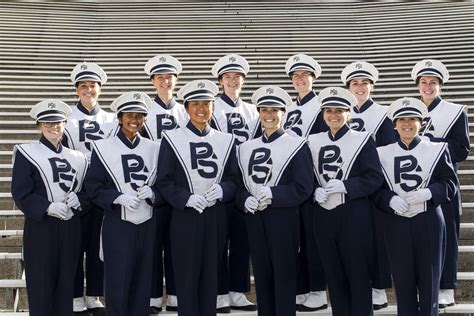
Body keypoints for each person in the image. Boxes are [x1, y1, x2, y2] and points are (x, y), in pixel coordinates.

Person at [155, 80, 238, 316]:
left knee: (212, 273)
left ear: (213, 106)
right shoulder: (171, 138)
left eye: (206, 104)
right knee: (187, 275)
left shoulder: (226, 140)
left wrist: (224, 190)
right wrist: (185, 198)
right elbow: (164, 180)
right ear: (186, 108)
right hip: (185, 215)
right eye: (195, 104)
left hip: (215, 215)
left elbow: (234, 178)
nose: (201, 109)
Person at [373, 97, 458, 315]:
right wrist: (389, 199)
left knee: (430, 283)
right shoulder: (381, 153)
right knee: (403, 283)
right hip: (396, 222)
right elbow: (374, 189)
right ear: (394, 125)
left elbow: (450, 183)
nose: (406, 124)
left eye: (412, 119)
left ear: (421, 123)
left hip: (428, 219)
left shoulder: (437, 148)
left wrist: (429, 193)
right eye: (401, 120)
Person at [237, 85, 313, 316]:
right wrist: (244, 200)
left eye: (274, 110)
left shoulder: (297, 144)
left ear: (284, 114)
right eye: (264, 110)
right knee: (262, 276)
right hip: (255, 219)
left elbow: (304, 187)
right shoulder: (246, 147)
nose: (269, 116)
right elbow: (238, 185)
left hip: (284, 218)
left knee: (284, 276)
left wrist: (274, 194)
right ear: (259, 113)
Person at [308, 87, 383, 316]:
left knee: (359, 275)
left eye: (339, 110)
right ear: (323, 114)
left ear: (349, 113)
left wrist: (347, 186)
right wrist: (314, 191)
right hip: (323, 216)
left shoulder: (362, 139)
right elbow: (304, 177)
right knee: (334, 275)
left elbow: (375, 178)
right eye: (329, 111)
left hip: (354, 214)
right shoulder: (311, 141)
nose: (334, 115)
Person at [85, 92, 161, 316]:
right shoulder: (102, 147)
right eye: (129, 115)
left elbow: (166, 183)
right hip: (118, 220)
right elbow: (93, 186)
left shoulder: (154, 147)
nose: (134, 120)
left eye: (140, 116)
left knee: (142, 279)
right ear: (119, 118)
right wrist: (117, 197)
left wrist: (154, 193)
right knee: (117, 279)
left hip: (147, 220)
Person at [11, 100, 88, 316]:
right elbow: (20, 192)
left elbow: (88, 191)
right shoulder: (27, 152)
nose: (53, 126)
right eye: (47, 122)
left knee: (66, 283)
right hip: (41, 227)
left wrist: (80, 200)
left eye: (58, 122)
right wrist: (46, 207)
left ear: (65, 124)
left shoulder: (78, 158)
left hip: (70, 226)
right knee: (41, 283)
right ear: (39, 125)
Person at [411, 59, 470, 308]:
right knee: (419, 238)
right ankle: (423, 286)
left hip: (443, 183)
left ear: (440, 85)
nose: (428, 86)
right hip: (414, 183)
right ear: (417, 86)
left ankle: (446, 287)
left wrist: (431, 144)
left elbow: (461, 149)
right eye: (423, 82)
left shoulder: (454, 110)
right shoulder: (408, 110)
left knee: (446, 236)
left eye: (433, 82)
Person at [341, 60, 396, 310]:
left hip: (375, 183)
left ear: (371, 86)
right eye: (355, 83)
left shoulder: (383, 114)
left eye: (364, 83)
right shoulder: (338, 111)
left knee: (378, 238)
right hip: (348, 186)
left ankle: (378, 289)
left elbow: (388, 150)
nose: (360, 87)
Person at [64, 62, 116, 315]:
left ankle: (94, 295)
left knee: (97, 245)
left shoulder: (112, 119)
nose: (88, 90)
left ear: (100, 89)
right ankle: (75, 296)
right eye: (83, 86)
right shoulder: (66, 119)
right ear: (76, 90)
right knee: (75, 245)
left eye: (92, 86)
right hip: (74, 189)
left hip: (102, 190)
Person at [211, 53, 259, 312]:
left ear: (243, 80)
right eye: (227, 77)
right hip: (218, 178)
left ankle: (238, 291)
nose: (232, 80)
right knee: (219, 238)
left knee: (243, 238)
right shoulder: (210, 106)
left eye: (237, 76)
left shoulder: (253, 109)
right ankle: (219, 292)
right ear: (220, 81)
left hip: (246, 180)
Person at [283, 54, 328, 312]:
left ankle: (318, 291)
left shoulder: (324, 105)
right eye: (296, 76)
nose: (300, 80)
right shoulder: (287, 106)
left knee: (313, 239)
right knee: (296, 238)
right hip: (291, 181)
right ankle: (302, 288)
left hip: (313, 179)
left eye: (305, 75)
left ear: (313, 78)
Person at [144, 54, 188, 313]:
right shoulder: (143, 110)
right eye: (159, 77)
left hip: (179, 186)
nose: (164, 81)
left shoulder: (187, 109)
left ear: (176, 80)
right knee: (152, 241)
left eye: (169, 77)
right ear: (152, 82)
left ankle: (174, 293)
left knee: (177, 243)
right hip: (151, 184)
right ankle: (151, 296)